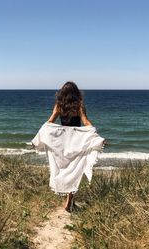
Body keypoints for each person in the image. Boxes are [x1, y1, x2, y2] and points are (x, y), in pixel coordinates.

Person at [47, 81, 96, 212]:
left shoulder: (59, 105)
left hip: (62, 141)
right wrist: (94, 133)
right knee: (75, 171)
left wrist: (44, 132)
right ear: (76, 93)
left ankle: (69, 201)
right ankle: (70, 200)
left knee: (65, 170)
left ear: (62, 93)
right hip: (76, 141)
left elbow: (50, 121)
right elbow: (85, 121)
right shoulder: (79, 106)